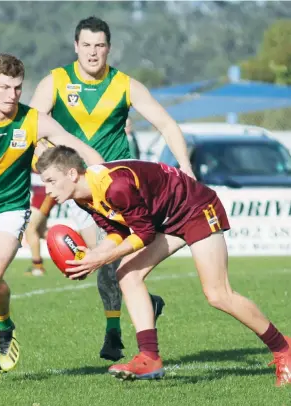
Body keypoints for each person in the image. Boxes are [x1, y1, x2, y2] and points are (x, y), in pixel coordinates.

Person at [36, 145, 291, 386]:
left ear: (72, 173)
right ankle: (149, 358)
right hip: (167, 219)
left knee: (218, 295)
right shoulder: (83, 197)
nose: (46, 190)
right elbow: (117, 231)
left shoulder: (114, 186)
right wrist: (93, 255)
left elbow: (144, 234)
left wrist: (103, 259)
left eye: (50, 181)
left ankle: (283, 349)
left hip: (195, 209)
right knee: (127, 274)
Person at [30, 16, 194, 361]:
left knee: (109, 261)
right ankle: (145, 308)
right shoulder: (55, 82)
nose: (93, 53)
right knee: (106, 264)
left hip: (119, 187)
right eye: (86, 45)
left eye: (99, 46)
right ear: (76, 47)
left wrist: (186, 166)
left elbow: (165, 122)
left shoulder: (124, 84)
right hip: (79, 188)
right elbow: (30, 128)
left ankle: (114, 334)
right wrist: (42, 158)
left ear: (109, 48)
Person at [0, 54, 103, 381]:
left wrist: (101, 170)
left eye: (17, 88)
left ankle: (4, 323)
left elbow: (71, 143)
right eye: (4, 87)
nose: (11, 95)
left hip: (10, 211)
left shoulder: (33, 120)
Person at [25, 141, 57, 276]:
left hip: (46, 193)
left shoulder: (49, 144)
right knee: (41, 230)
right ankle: (76, 244)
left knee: (30, 227)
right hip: (39, 192)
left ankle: (37, 266)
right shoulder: (32, 140)